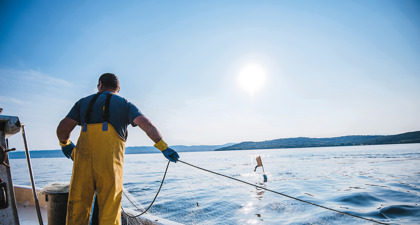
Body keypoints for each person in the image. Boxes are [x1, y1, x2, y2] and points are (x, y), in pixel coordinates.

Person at [56, 73, 179, 225]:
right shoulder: (124, 103)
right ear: (117, 89)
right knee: (110, 208)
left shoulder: (83, 103)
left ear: (100, 84)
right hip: (110, 165)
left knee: (77, 207)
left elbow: (62, 128)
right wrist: (163, 147)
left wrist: (65, 144)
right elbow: (147, 124)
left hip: (82, 162)